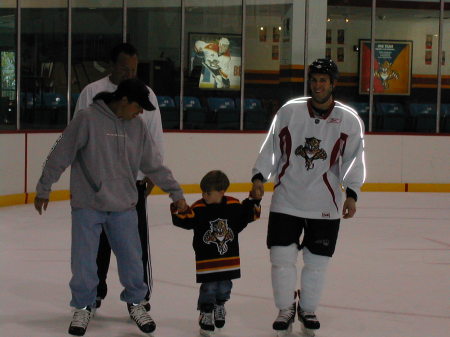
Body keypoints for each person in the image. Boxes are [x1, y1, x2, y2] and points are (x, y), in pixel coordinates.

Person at [34, 78, 187, 336]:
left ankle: (137, 303)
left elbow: (154, 164)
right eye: (138, 107)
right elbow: (61, 153)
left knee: (132, 260)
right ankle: (83, 306)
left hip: (124, 205)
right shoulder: (87, 119)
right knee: (84, 262)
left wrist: (176, 192)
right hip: (88, 204)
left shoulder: (137, 126)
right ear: (124, 100)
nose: (141, 113)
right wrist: (44, 187)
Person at [251, 59, 366, 336]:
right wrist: (259, 177)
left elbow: (354, 160)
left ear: (333, 84)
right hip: (286, 198)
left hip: (325, 204)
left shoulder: (348, 119)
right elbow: (271, 148)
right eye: (314, 79)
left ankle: (309, 308)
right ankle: (285, 308)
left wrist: (352, 194)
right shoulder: (289, 112)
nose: (318, 85)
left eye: (323, 80)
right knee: (280, 257)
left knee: (316, 263)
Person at [74, 42, 162, 311]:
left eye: (134, 68)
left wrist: (152, 174)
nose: (129, 73)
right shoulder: (92, 92)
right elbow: (76, 136)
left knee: (134, 246)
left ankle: (138, 296)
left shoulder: (147, 95)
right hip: (97, 187)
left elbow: (155, 136)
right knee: (95, 246)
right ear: (112, 65)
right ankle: (93, 293)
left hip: (131, 185)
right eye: (125, 67)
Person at [170, 170, 262, 336]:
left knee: (225, 286)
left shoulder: (233, 205)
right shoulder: (198, 208)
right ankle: (206, 311)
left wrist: (255, 199)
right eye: (202, 191)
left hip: (228, 258)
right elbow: (186, 220)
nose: (204, 195)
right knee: (209, 287)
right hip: (207, 260)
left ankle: (220, 305)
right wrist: (179, 208)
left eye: (208, 192)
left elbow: (247, 215)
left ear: (221, 192)